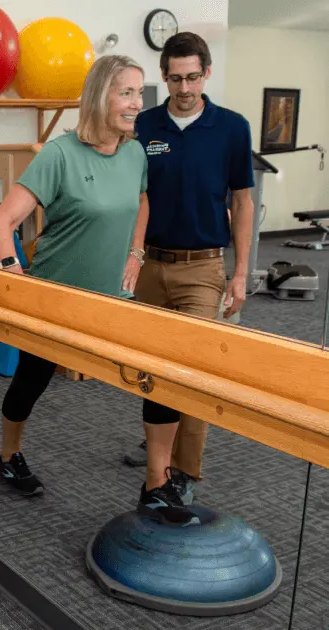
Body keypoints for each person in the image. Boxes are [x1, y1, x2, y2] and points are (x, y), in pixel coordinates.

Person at [0, 54, 198, 525]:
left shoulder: (134, 153)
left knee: (160, 372)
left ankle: (157, 483)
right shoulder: (60, 154)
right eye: (125, 92)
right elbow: (3, 220)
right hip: (56, 298)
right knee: (32, 379)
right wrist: (10, 269)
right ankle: (9, 455)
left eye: (140, 93)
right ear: (100, 96)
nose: (135, 103)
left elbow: (141, 201)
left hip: (114, 299)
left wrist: (136, 252)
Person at [126, 32, 254, 511]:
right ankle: (160, 453)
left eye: (192, 77)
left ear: (207, 73)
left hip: (203, 268)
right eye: (175, 78)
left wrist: (240, 275)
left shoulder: (232, 128)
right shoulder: (144, 126)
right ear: (164, 76)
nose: (184, 87)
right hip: (149, 267)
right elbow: (131, 195)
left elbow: (241, 202)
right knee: (152, 369)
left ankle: (182, 473)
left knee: (194, 371)